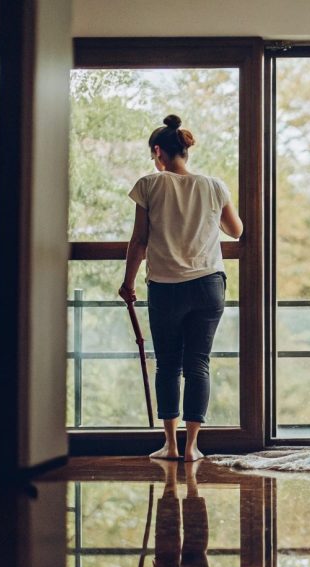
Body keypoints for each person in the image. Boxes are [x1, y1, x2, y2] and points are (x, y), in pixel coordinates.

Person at [119, 114, 243, 461]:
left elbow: (140, 240)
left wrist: (127, 283)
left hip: (165, 287)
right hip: (208, 286)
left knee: (169, 365)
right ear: (184, 150)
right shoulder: (214, 186)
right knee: (198, 363)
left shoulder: (149, 185)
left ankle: (170, 445)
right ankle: (192, 448)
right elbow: (236, 230)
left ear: (158, 151)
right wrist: (207, 214)